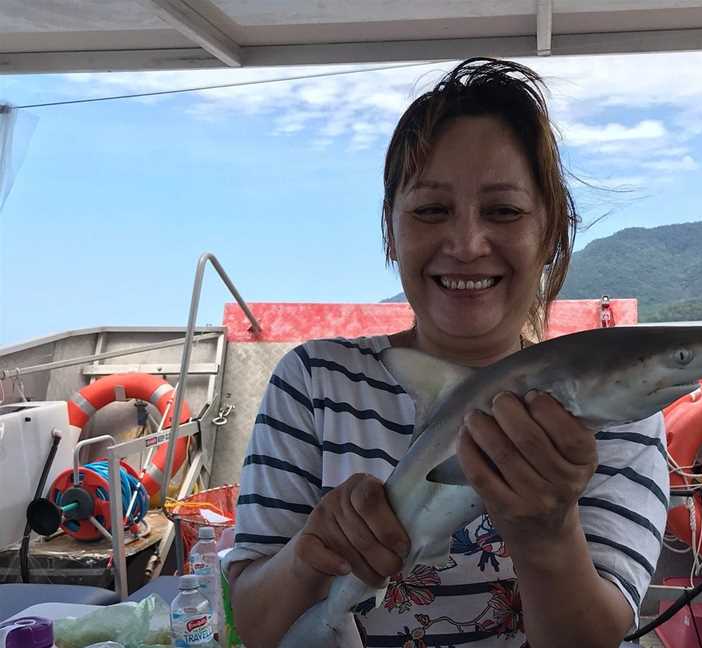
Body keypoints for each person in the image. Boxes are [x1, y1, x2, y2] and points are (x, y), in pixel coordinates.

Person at [226, 57, 669, 648]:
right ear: (391, 230)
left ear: (551, 232)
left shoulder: (618, 410)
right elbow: (249, 626)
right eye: (431, 210)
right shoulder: (314, 383)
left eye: (504, 211)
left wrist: (547, 532)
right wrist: (311, 555)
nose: (465, 244)